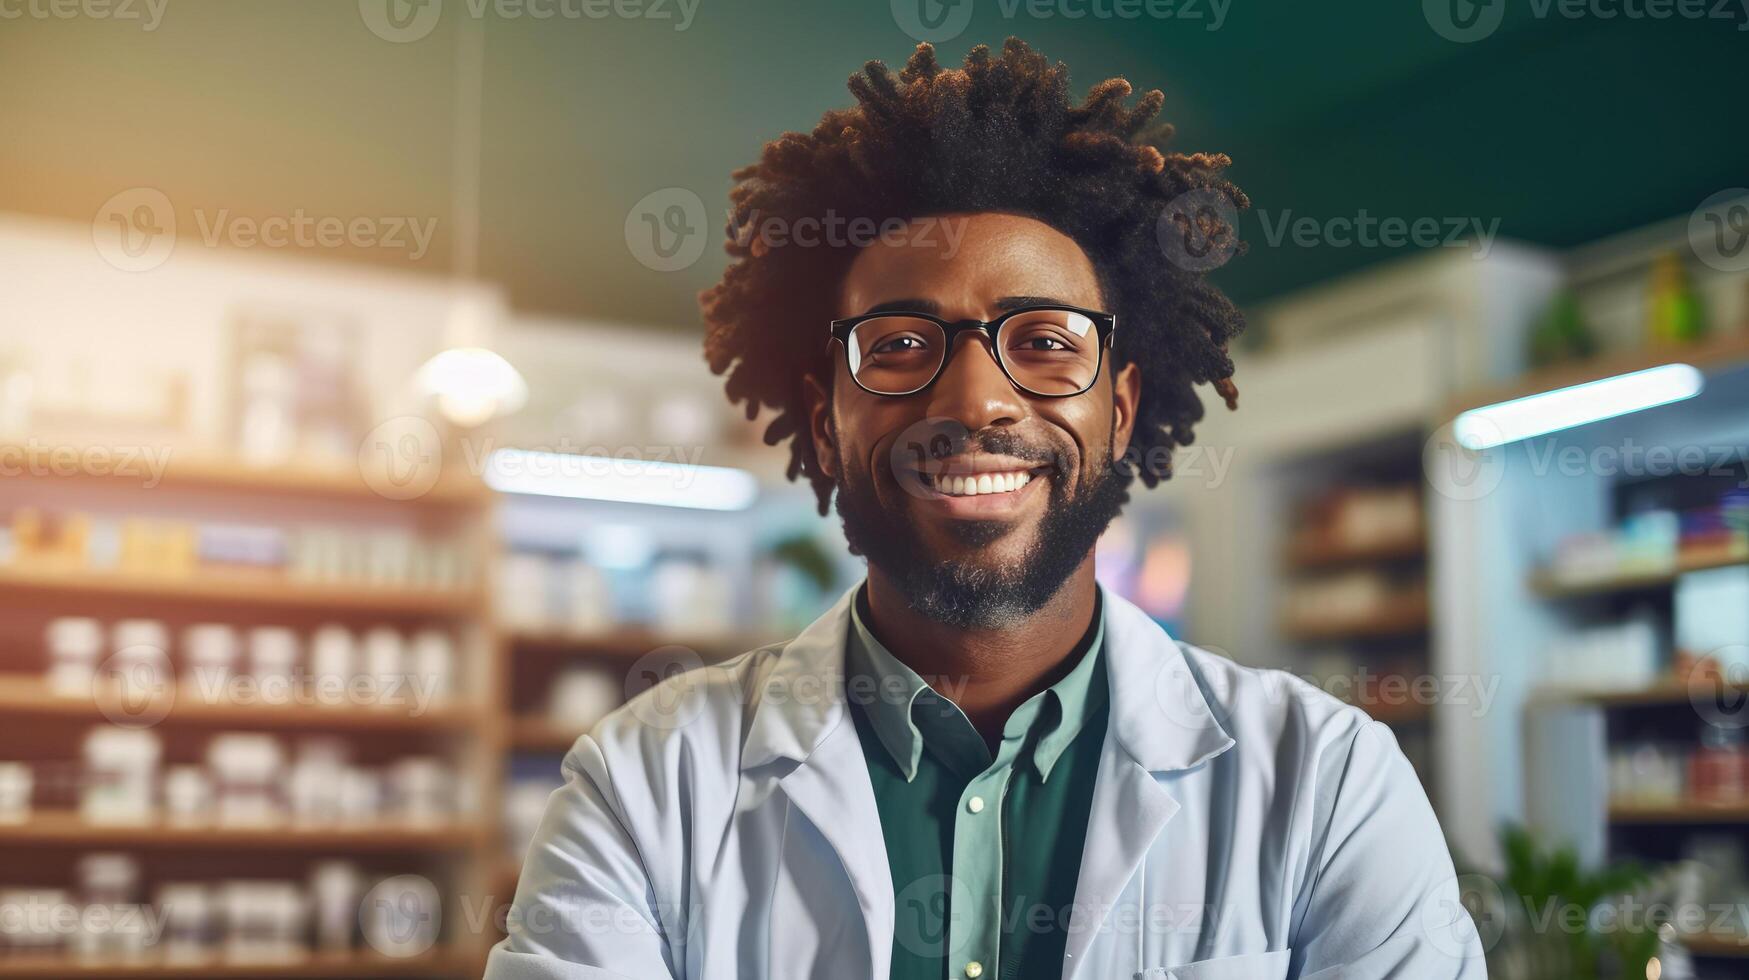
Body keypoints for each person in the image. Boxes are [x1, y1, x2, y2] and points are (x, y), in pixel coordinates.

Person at [485, 38, 1482, 980]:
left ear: (1122, 409)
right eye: (901, 345)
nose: (974, 401)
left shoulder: (1327, 784)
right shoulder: (645, 784)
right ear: (825, 423)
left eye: (1045, 340)